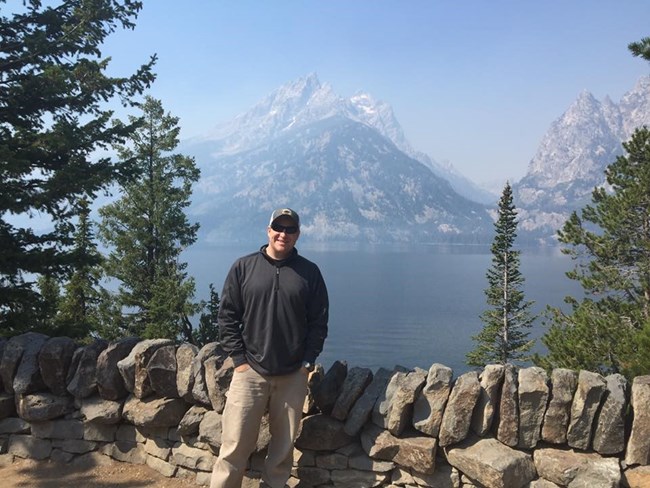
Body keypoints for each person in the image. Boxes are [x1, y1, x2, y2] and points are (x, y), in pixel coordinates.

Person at [210, 208, 329, 488]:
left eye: (290, 230)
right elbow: (226, 317)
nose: (283, 234)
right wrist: (239, 360)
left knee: (282, 451)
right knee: (234, 446)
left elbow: (319, 322)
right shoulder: (244, 267)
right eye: (278, 227)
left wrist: (307, 361)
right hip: (249, 372)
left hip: (292, 376)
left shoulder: (309, 273)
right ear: (268, 230)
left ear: (297, 234)